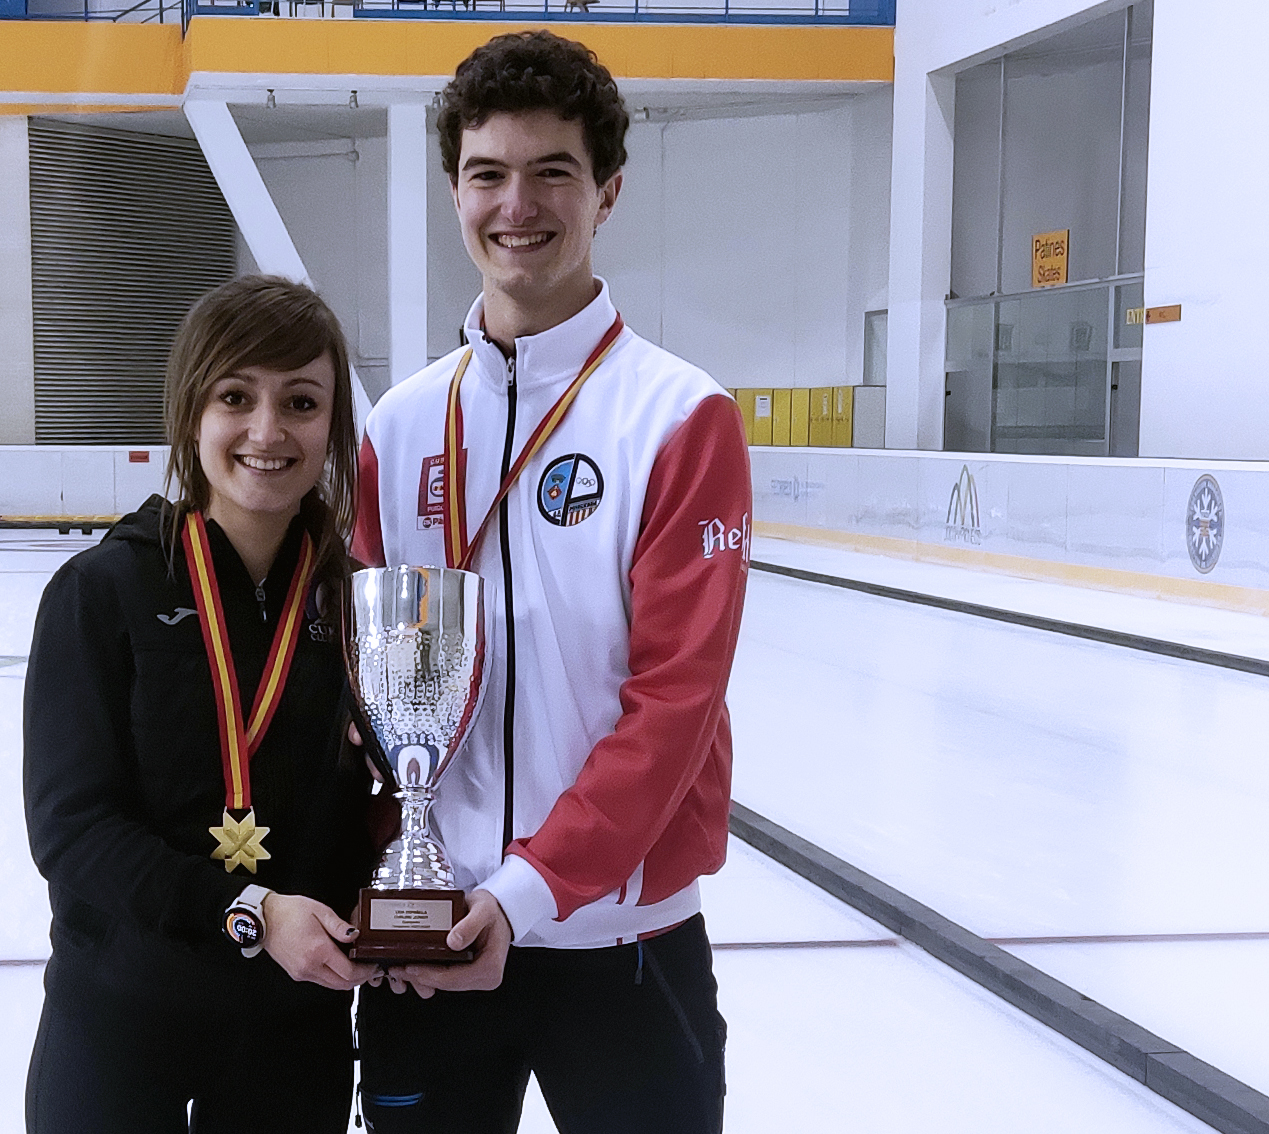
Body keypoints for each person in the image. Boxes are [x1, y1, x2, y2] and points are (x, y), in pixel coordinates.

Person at [351, 31, 751, 1134]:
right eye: (487, 173)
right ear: (454, 190)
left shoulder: (679, 417)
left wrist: (522, 896)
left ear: (608, 191)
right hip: (430, 938)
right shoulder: (399, 425)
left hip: (625, 938)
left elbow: (676, 703)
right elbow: (361, 702)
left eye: (552, 172)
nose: (515, 204)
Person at [23, 275, 380, 1134]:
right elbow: (71, 830)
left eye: (300, 401)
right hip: (117, 1020)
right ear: (191, 412)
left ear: (331, 426)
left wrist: (393, 878)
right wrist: (248, 910)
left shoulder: (361, 603)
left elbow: (378, 799)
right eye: (235, 396)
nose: (267, 431)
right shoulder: (101, 591)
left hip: (290, 1030)